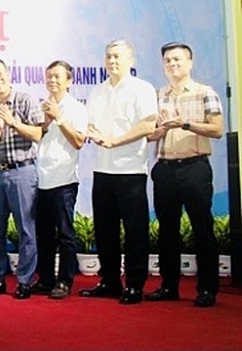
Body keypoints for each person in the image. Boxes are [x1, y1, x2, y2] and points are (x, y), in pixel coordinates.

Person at [145, 42, 222, 308]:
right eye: (167, 60)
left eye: (177, 59)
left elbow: (217, 129)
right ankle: (169, 286)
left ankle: (207, 289)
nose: (172, 64)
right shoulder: (157, 96)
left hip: (195, 168)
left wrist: (185, 124)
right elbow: (151, 135)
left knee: (202, 229)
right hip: (165, 169)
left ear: (190, 63)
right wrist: (160, 130)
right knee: (167, 231)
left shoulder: (205, 93)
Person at [79, 40, 157, 305]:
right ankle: (110, 281)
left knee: (135, 232)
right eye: (108, 56)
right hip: (102, 170)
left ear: (130, 60)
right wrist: (93, 133)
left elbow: (148, 125)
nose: (112, 61)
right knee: (105, 231)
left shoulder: (142, 89)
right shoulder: (97, 91)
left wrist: (115, 141)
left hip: (131, 170)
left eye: (117, 56)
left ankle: (135, 284)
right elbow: (90, 124)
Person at [0, 57, 43, 300]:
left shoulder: (25, 100)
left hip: (22, 171)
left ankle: (25, 280)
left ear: (8, 73)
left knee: (26, 228)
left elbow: (38, 134)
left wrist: (12, 122)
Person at [31, 61, 88, 300]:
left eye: (57, 76)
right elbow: (37, 137)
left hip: (64, 179)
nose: (52, 81)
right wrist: (45, 122)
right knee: (44, 234)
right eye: (49, 76)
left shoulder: (76, 108)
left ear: (69, 81)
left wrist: (59, 118)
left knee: (65, 234)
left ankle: (65, 280)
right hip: (42, 179)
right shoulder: (42, 106)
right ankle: (46, 279)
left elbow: (78, 141)